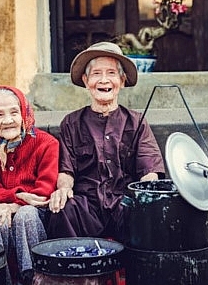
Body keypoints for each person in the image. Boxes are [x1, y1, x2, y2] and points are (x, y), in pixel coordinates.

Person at [47, 42, 165, 241]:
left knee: (148, 213)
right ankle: (77, 271)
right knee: (62, 209)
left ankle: (137, 272)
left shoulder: (136, 122)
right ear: (86, 81)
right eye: (96, 74)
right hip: (87, 205)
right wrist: (63, 189)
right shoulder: (71, 123)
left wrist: (146, 194)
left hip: (124, 203)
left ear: (122, 80)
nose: (103, 80)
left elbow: (150, 171)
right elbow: (66, 170)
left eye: (111, 73)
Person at [0, 85, 58, 285]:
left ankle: (34, 278)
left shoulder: (47, 144)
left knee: (25, 215)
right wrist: (18, 198)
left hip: (37, 212)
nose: (8, 120)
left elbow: (43, 192)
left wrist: (14, 204)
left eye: (14, 112)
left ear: (24, 112)